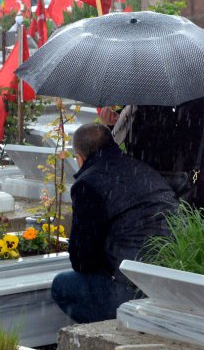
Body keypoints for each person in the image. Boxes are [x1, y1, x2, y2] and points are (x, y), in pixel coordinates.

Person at [51, 123, 178, 324]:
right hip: (170, 281)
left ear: (80, 158)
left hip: (129, 287)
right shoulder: (141, 169)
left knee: (62, 286)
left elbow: (82, 259)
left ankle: (113, 329)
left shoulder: (88, 184)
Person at [116, 97, 204, 230]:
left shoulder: (149, 102)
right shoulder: (145, 103)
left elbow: (143, 147)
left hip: (177, 194)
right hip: (189, 194)